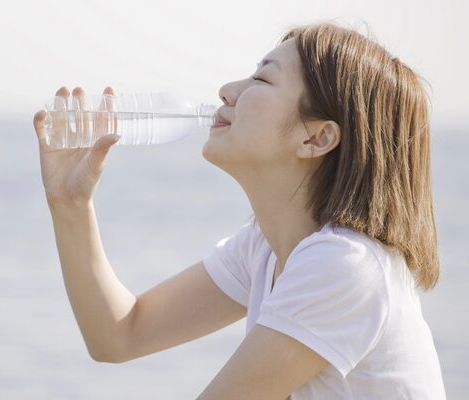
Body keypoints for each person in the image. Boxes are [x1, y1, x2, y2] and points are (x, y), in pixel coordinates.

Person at [32, 21, 446, 399]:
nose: (228, 90)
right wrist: (70, 204)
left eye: (262, 79)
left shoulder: (345, 266)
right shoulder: (265, 249)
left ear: (317, 138)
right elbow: (119, 335)